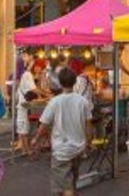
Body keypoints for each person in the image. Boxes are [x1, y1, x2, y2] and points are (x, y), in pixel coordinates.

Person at [32, 68, 93, 196]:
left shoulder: (55, 102)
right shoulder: (83, 102)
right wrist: (88, 143)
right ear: (75, 81)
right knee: (71, 183)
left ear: (60, 83)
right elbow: (89, 126)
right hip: (78, 149)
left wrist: (35, 139)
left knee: (65, 188)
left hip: (61, 151)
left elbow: (44, 124)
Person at [15, 58, 47, 154]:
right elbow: (34, 89)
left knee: (23, 127)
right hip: (23, 104)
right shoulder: (28, 74)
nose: (40, 70)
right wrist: (46, 94)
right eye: (40, 67)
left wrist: (43, 93)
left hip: (24, 104)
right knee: (24, 127)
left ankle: (25, 149)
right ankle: (26, 149)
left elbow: (36, 89)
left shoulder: (28, 74)